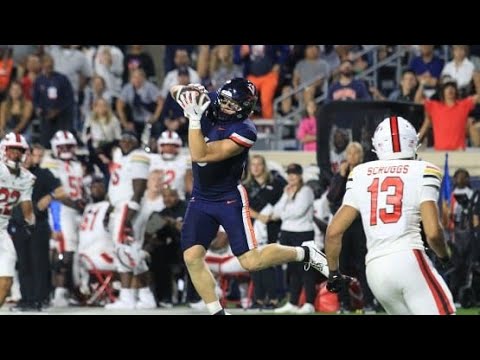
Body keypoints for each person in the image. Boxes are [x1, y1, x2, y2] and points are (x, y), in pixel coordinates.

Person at [171, 78, 328, 315]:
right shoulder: (212, 101)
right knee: (192, 256)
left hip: (228, 198)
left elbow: (199, 154)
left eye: (233, 105)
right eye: (224, 100)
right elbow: (174, 90)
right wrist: (187, 93)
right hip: (201, 198)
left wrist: (194, 118)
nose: (225, 106)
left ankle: (305, 252)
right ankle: (218, 312)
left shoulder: (245, 130)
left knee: (251, 261)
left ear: (245, 108)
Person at [324, 116, 455, 315]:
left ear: (377, 146)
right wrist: (444, 256)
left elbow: (333, 232)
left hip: (375, 270)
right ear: (413, 142)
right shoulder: (424, 170)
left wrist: (333, 273)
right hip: (408, 258)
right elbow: (433, 232)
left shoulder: (360, 173)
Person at [10, 144, 64, 311]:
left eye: (32, 155)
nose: (28, 158)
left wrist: (50, 196)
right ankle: (26, 298)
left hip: (37, 225)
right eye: (24, 155)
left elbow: (61, 191)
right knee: (23, 264)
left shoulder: (43, 174)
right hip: (18, 225)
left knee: (39, 264)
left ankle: (40, 299)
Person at [0, 132, 36, 307]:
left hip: (2, 230)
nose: (15, 154)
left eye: (19, 151)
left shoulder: (26, 177)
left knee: (6, 283)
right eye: (11, 150)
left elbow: (26, 205)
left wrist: (31, 222)